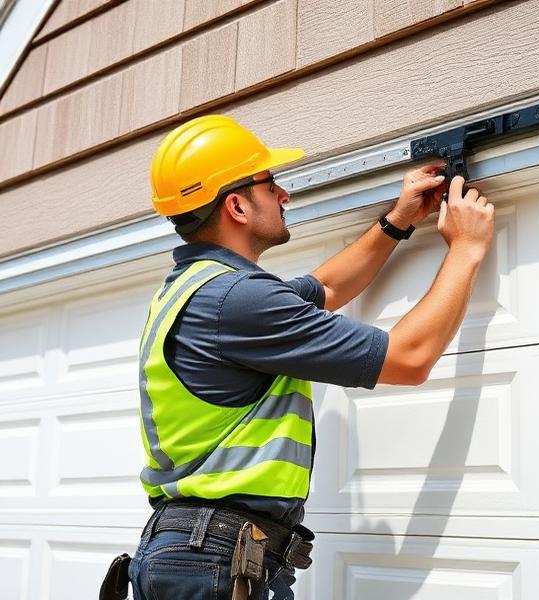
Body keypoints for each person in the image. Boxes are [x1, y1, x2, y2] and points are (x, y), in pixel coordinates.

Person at [103, 115, 494, 600]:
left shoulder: (198, 289)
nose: (284, 194)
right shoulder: (236, 300)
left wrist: (398, 222)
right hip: (214, 554)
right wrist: (467, 247)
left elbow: (326, 288)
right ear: (237, 205)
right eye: (270, 184)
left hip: (199, 549)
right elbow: (410, 358)